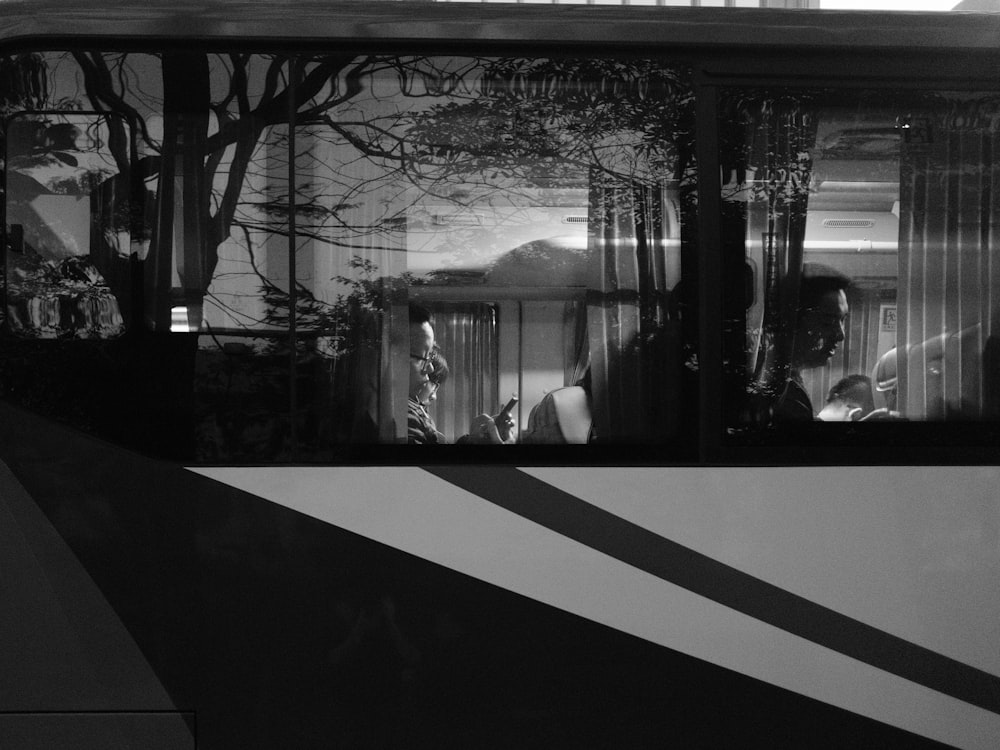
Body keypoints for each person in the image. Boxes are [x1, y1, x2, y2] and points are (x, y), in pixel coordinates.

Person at [406, 304, 514, 444]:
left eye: (429, 358)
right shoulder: (407, 417)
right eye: (423, 358)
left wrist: (471, 441)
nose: (430, 368)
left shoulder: (411, 412)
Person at [773, 263, 851, 422]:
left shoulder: (787, 378)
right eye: (827, 322)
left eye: (842, 321)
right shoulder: (779, 391)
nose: (840, 335)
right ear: (791, 323)